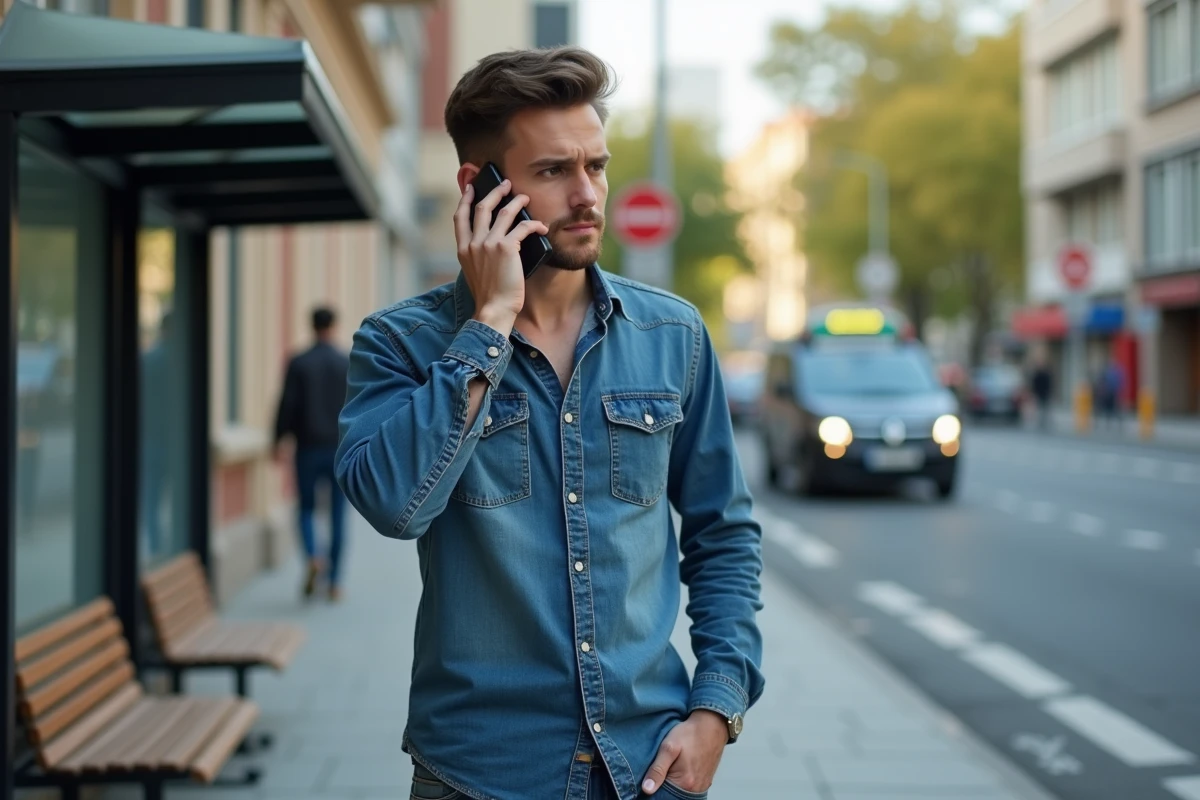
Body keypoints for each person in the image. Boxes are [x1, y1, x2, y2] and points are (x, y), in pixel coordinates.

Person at [336, 47, 764, 800]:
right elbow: (395, 506)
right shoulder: (399, 342)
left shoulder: (673, 335)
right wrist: (490, 324)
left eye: (595, 166)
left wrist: (716, 709)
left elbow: (722, 534)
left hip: (649, 768)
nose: (588, 194)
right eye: (553, 172)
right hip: (478, 773)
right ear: (481, 187)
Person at [275, 306, 351, 601]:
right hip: (338, 450)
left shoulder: (299, 362)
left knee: (305, 508)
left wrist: (278, 438)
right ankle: (334, 582)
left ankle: (312, 556)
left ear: (311, 326)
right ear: (334, 325)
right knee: (337, 514)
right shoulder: (344, 363)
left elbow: (286, 404)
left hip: (306, 448)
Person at [1030, 358, 1053, 431]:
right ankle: (1040, 423)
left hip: (1046, 394)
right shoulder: (1036, 374)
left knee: (1046, 409)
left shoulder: (1046, 374)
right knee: (1039, 409)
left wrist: (1050, 392)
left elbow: (1049, 384)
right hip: (1039, 394)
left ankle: (1046, 422)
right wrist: (1034, 394)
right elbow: (1034, 385)